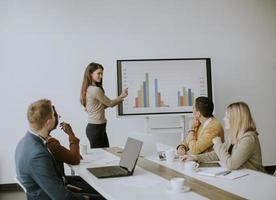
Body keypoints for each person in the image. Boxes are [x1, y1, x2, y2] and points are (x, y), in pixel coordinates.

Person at [15, 99, 89, 200]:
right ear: (49, 122)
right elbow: (62, 197)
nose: (57, 118)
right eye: (55, 115)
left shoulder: (25, 142)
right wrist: (84, 198)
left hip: (51, 190)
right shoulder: (38, 154)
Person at [180, 102, 265, 172]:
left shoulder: (249, 138)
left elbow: (231, 165)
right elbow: (218, 154)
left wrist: (218, 143)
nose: (224, 119)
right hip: (240, 176)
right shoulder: (234, 136)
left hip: (253, 179)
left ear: (236, 119)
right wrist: (195, 157)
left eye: (227, 116)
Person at [47, 106, 105, 199]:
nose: (58, 118)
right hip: (64, 184)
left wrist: (73, 154)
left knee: (95, 180)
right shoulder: (51, 143)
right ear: (49, 121)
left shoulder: (47, 140)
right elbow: (74, 160)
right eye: (57, 116)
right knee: (102, 190)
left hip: (61, 180)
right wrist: (71, 134)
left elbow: (71, 157)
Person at [80, 62, 128, 148]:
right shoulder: (95, 90)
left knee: (106, 153)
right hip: (96, 128)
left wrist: (120, 97)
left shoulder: (89, 88)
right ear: (90, 74)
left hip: (98, 127)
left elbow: (103, 106)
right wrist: (121, 97)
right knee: (101, 157)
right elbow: (110, 103)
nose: (101, 76)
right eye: (98, 73)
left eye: (102, 73)